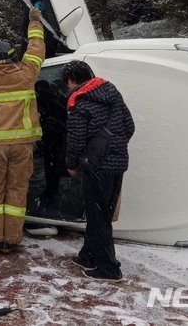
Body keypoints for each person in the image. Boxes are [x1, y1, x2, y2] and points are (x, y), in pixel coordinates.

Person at [0, 7, 45, 254]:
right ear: (15, 56)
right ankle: (12, 240)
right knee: (16, 190)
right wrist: (34, 21)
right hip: (23, 145)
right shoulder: (27, 73)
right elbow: (36, 47)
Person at [62, 60, 135, 282]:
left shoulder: (80, 101)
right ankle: (88, 256)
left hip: (95, 167)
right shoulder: (112, 94)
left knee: (98, 217)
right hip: (117, 165)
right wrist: (113, 149)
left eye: (67, 82)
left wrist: (72, 164)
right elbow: (129, 126)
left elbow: (75, 140)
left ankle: (109, 269)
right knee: (101, 214)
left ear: (73, 80)